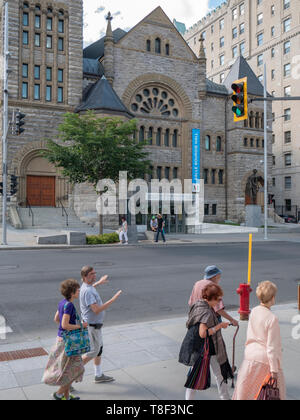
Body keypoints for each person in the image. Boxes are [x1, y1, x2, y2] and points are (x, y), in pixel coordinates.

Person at [232, 281, 286, 400]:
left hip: (250, 356)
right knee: (270, 394)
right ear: (272, 298)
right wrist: (274, 370)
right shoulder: (272, 319)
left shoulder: (254, 311)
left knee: (246, 394)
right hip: (265, 361)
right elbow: (272, 347)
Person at [179, 283, 233, 400]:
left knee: (193, 377)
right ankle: (226, 398)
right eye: (218, 299)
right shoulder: (207, 313)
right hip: (207, 348)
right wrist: (219, 326)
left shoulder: (198, 305)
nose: (219, 302)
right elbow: (203, 333)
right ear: (211, 298)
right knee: (219, 374)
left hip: (196, 348)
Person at [43, 279, 87, 401]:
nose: (79, 292)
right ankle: (58, 394)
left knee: (67, 370)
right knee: (77, 370)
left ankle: (66, 397)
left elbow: (56, 318)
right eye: (77, 290)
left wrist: (64, 331)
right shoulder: (70, 306)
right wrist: (80, 326)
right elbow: (65, 324)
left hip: (61, 339)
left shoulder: (62, 303)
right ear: (72, 293)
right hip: (69, 343)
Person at [80, 266, 122, 383]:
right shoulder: (88, 291)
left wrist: (99, 282)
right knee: (93, 352)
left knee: (99, 350)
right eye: (91, 274)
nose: (94, 276)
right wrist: (112, 300)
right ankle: (68, 377)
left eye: (94, 273)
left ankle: (98, 375)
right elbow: (96, 310)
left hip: (95, 326)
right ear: (84, 277)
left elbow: (90, 288)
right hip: (92, 327)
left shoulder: (86, 286)